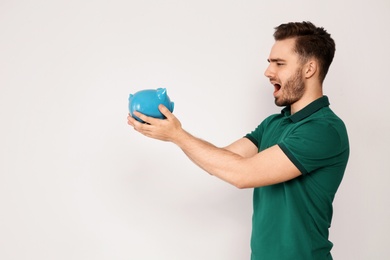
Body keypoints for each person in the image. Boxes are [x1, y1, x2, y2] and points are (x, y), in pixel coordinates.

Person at [127, 21, 349, 260]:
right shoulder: (274, 124)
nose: (268, 72)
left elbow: (243, 174)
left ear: (309, 69)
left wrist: (177, 134)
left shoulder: (324, 129)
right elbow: (221, 162)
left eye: (279, 64)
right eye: (269, 63)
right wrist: (172, 134)